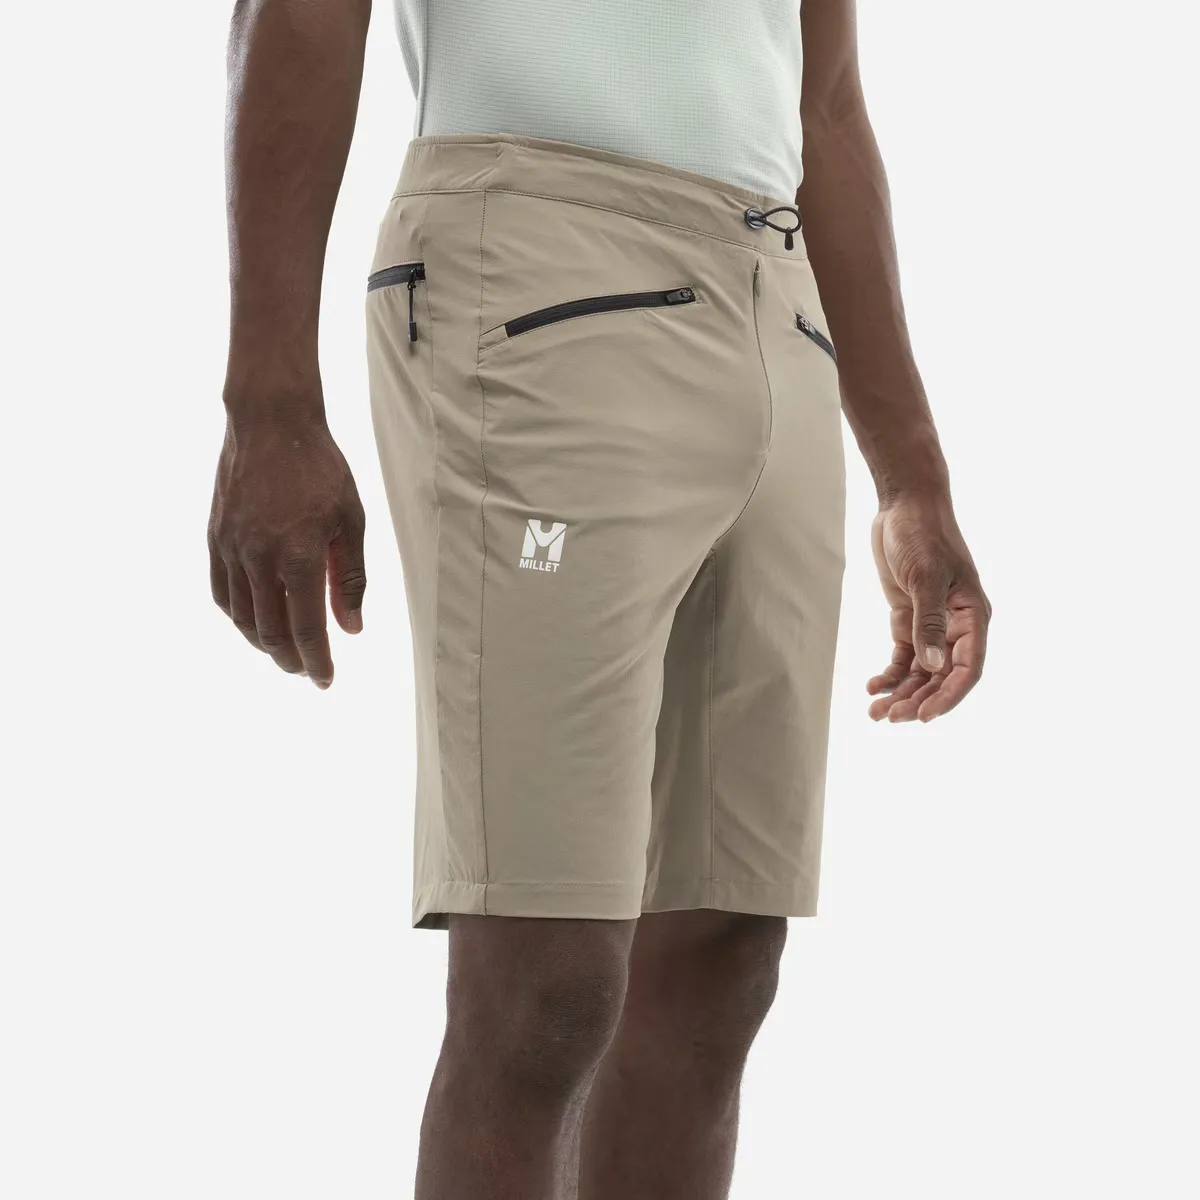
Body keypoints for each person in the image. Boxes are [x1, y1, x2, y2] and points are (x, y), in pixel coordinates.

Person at [207, 0, 991, 1195]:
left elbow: (824, 104)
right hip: (537, 268)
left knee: (721, 954)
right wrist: (267, 402)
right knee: (546, 980)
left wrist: (913, 480)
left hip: (777, 300)